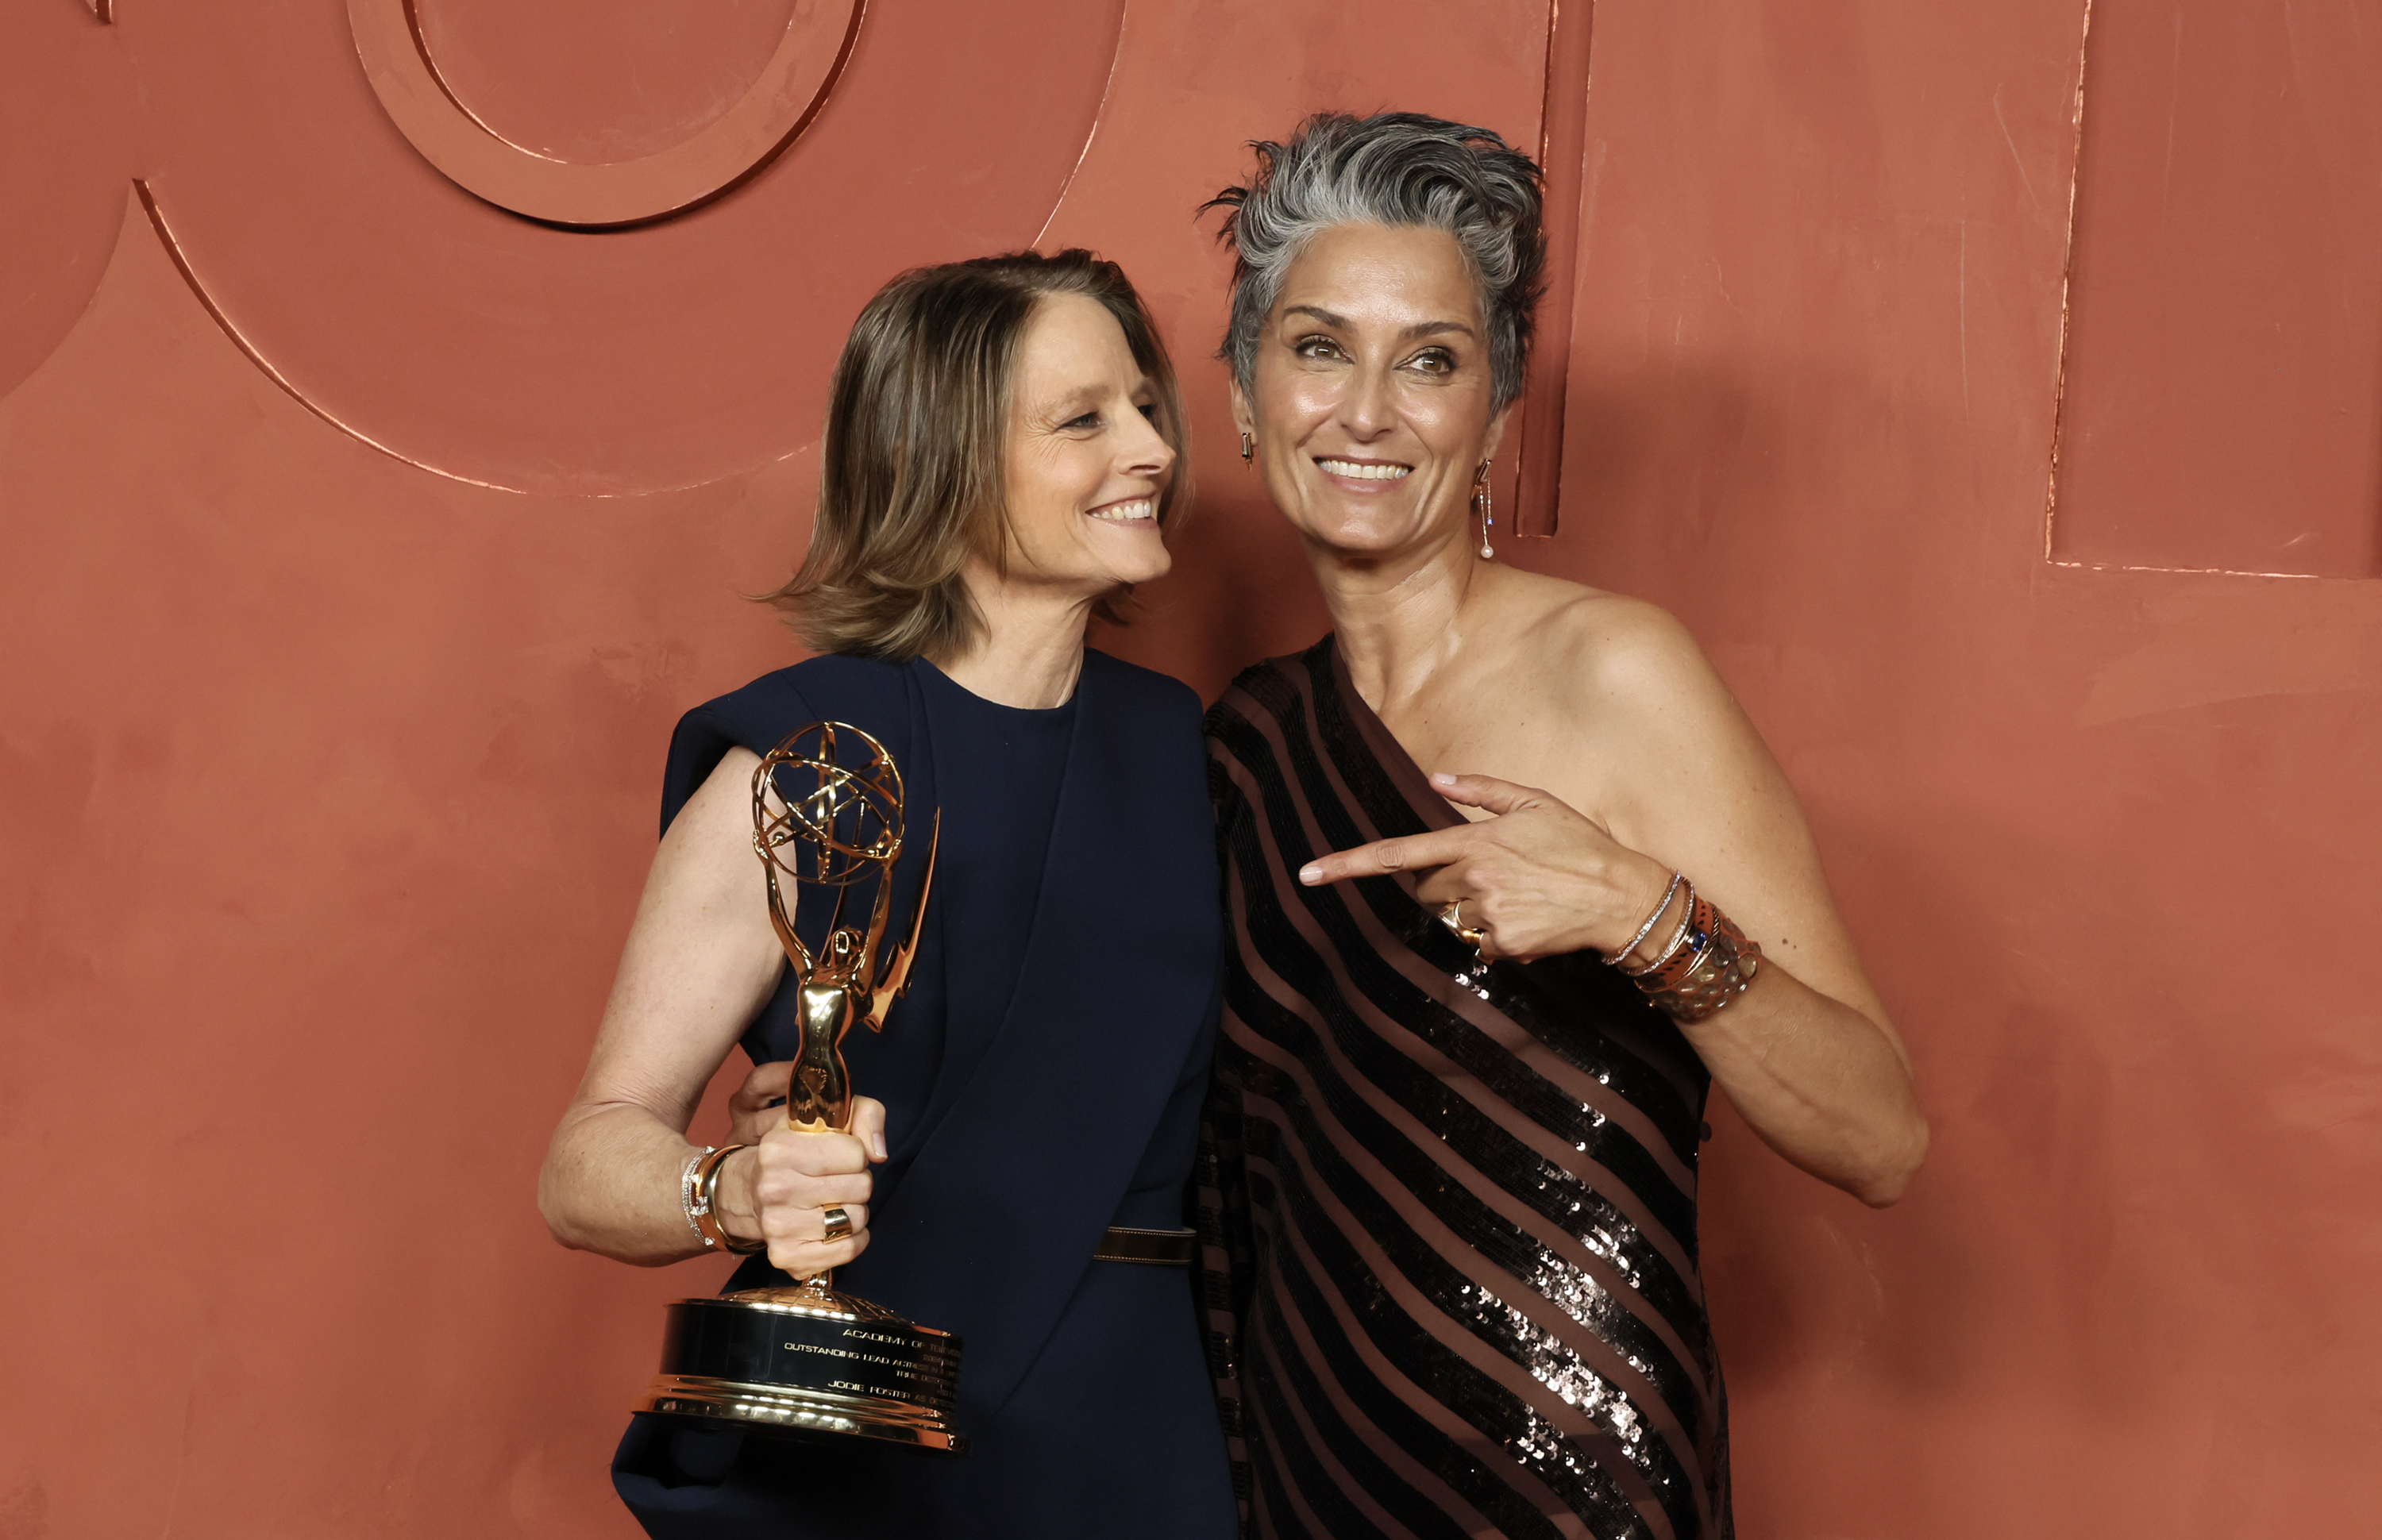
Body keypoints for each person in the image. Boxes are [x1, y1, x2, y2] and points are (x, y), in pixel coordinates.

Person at [1195, 112, 1930, 1540]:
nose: (1366, 412)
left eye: (1431, 361)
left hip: (1573, 1477)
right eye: (1319, 346)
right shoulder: (1247, 741)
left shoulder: (1617, 675)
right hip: (1302, 1465)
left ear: (1495, 419)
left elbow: (1880, 1135)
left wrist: (1644, 915)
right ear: (1242, 392)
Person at [537, 250, 1237, 1539]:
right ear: (946, 459)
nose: (1149, 447)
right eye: (1084, 419)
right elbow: (585, 1163)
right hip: (859, 1435)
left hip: (1134, 1433)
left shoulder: (1186, 748)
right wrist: (729, 1194)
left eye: (1145, 406)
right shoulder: (805, 760)